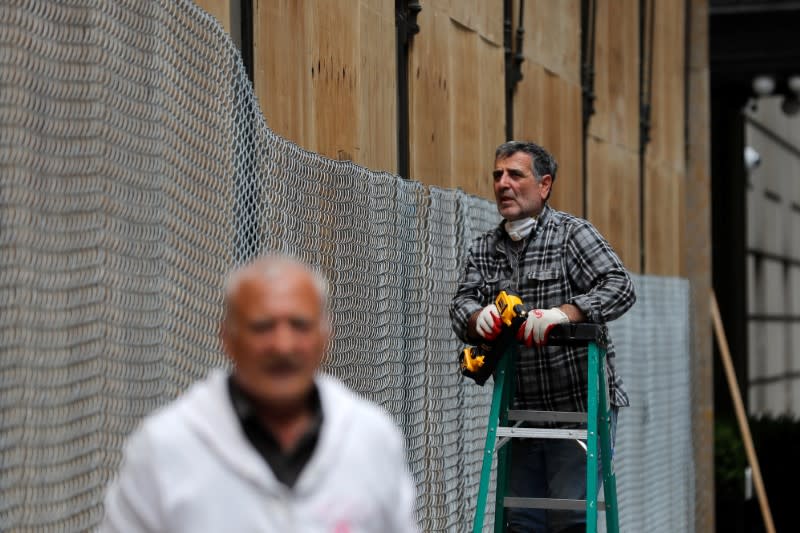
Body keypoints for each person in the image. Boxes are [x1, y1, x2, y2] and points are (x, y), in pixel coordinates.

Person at [101, 254, 419, 533]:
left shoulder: (371, 439)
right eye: (262, 326)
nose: (282, 346)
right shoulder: (166, 448)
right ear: (227, 337)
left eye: (299, 325)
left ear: (325, 336)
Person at [449, 141, 636, 533]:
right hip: (520, 411)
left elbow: (620, 286)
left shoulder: (571, 235)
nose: (503, 184)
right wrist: (475, 317)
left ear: (544, 184)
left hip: (579, 407)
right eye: (498, 175)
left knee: (568, 517)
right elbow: (462, 302)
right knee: (522, 520)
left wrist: (565, 313)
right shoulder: (485, 249)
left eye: (515, 175)